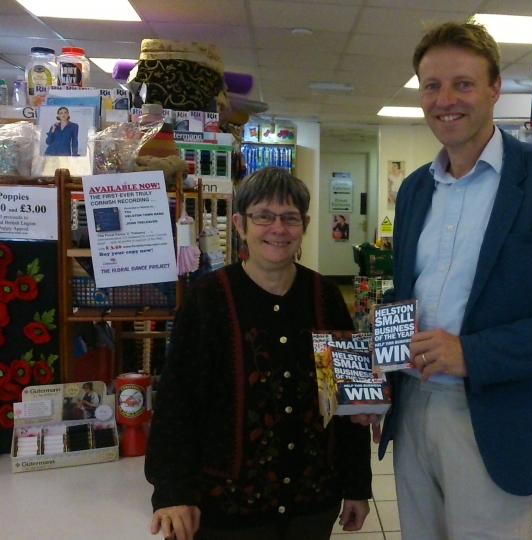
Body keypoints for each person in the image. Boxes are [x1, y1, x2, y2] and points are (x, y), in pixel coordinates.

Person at [353, 22, 532, 540]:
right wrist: (378, 371)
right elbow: (406, 296)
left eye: (463, 83)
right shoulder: (414, 190)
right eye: (432, 86)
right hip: (412, 411)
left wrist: (472, 354)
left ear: (495, 87)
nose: (445, 100)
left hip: (498, 417)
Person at [145, 167, 372, 540]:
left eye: (290, 218)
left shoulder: (326, 297)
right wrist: (172, 493)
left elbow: (349, 402)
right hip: (226, 508)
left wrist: (357, 486)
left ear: (305, 224)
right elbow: (177, 401)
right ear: (240, 224)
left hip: (311, 501)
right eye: (264, 216)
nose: (277, 228)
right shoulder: (208, 299)